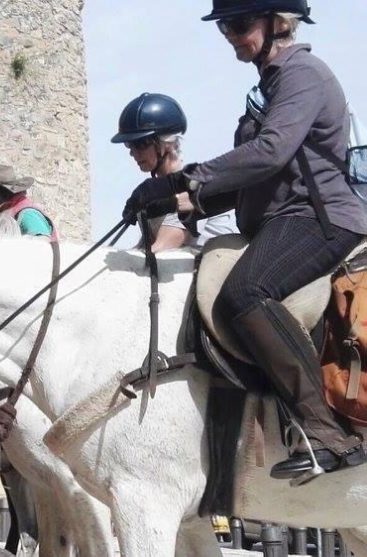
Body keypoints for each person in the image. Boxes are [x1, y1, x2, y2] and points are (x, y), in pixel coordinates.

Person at [122, 0, 366, 479]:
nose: (231, 35)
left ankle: (326, 435)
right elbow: (242, 184)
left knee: (245, 292)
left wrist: (178, 181)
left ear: (278, 23)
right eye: (224, 27)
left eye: (239, 24)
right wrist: (167, 202)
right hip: (281, 221)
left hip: (320, 219)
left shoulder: (304, 75)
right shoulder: (266, 90)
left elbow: (270, 154)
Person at [111, 93, 238, 251]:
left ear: (166, 144)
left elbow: (161, 249)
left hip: (218, 266)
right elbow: (143, 250)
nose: (133, 153)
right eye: (129, 145)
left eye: (140, 144)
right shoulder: (154, 196)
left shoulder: (188, 188)